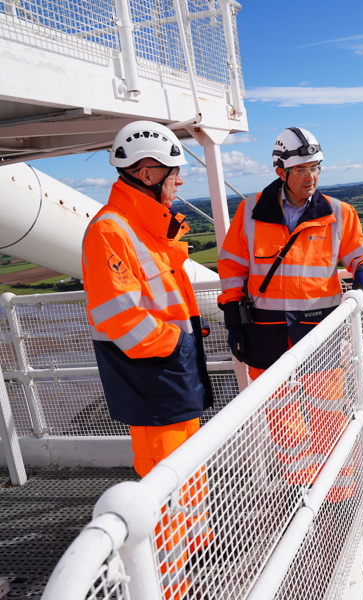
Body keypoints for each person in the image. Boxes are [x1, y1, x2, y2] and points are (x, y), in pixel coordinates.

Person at [81, 121, 214, 599]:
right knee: (164, 489)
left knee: (186, 478)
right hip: (155, 379)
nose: (180, 182)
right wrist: (174, 343)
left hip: (174, 378)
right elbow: (120, 317)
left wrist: (177, 347)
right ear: (147, 170)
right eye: (174, 173)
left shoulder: (145, 228)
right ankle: (168, 585)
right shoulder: (111, 231)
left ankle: (193, 562)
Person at [217, 126, 363, 499]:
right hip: (264, 328)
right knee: (279, 413)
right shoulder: (249, 211)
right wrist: (232, 316)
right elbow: (231, 265)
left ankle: (339, 493)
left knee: (328, 410)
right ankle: (302, 486)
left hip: (318, 326)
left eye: (316, 168)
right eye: (301, 169)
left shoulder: (340, 213)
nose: (310, 177)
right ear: (281, 171)